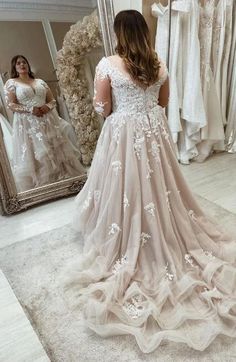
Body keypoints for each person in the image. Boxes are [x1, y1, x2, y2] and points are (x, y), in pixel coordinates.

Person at [65, 11, 236, 353]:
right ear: (143, 32)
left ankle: (126, 234)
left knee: (123, 187)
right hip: (153, 133)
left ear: (119, 33)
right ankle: (161, 228)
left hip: (124, 133)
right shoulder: (157, 63)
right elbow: (164, 101)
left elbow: (101, 106)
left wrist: (120, 107)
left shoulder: (108, 64)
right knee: (162, 187)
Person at [4, 55, 84, 192]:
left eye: (24, 62)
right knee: (35, 152)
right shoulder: (12, 83)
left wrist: (48, 106)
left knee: (55, 149)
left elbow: (52, 100)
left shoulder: (40, 81)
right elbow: (11, 104)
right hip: (28, 123)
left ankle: (64, 180)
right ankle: (44, 186)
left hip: (48, 119)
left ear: (28, 65)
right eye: (18, 63)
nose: (22, 65)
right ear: (14, 67)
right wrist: (30, 109)